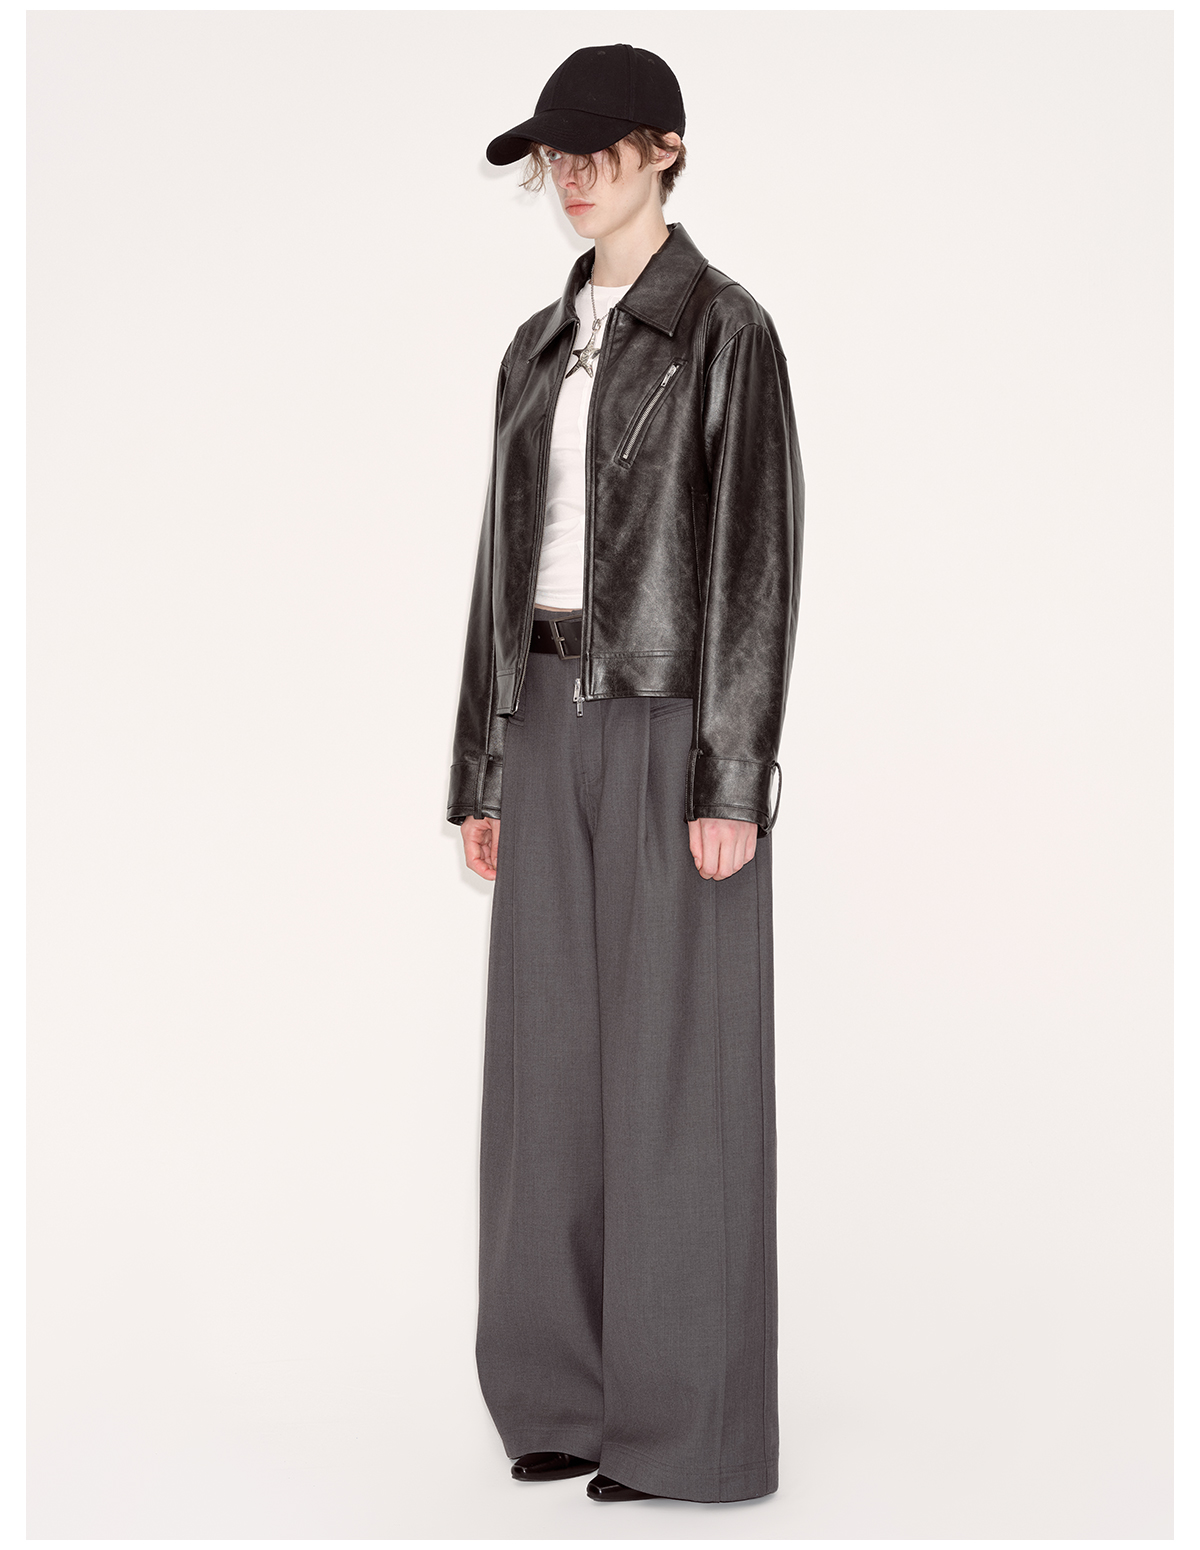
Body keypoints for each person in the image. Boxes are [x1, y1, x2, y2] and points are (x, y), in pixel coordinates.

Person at [447, 43, 804, 1505]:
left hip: (667, 717)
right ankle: (557, 1395)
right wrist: (479, 762)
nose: (572, 175)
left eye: (598, 148)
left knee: (676, 1065)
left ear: (665, 149)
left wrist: (733, 775)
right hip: (540, 711)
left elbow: (757, 564)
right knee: (545, 1067)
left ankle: (684, 1423)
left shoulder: (727, 331)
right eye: (556, 155)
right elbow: (495, 566)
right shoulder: (535, 348)